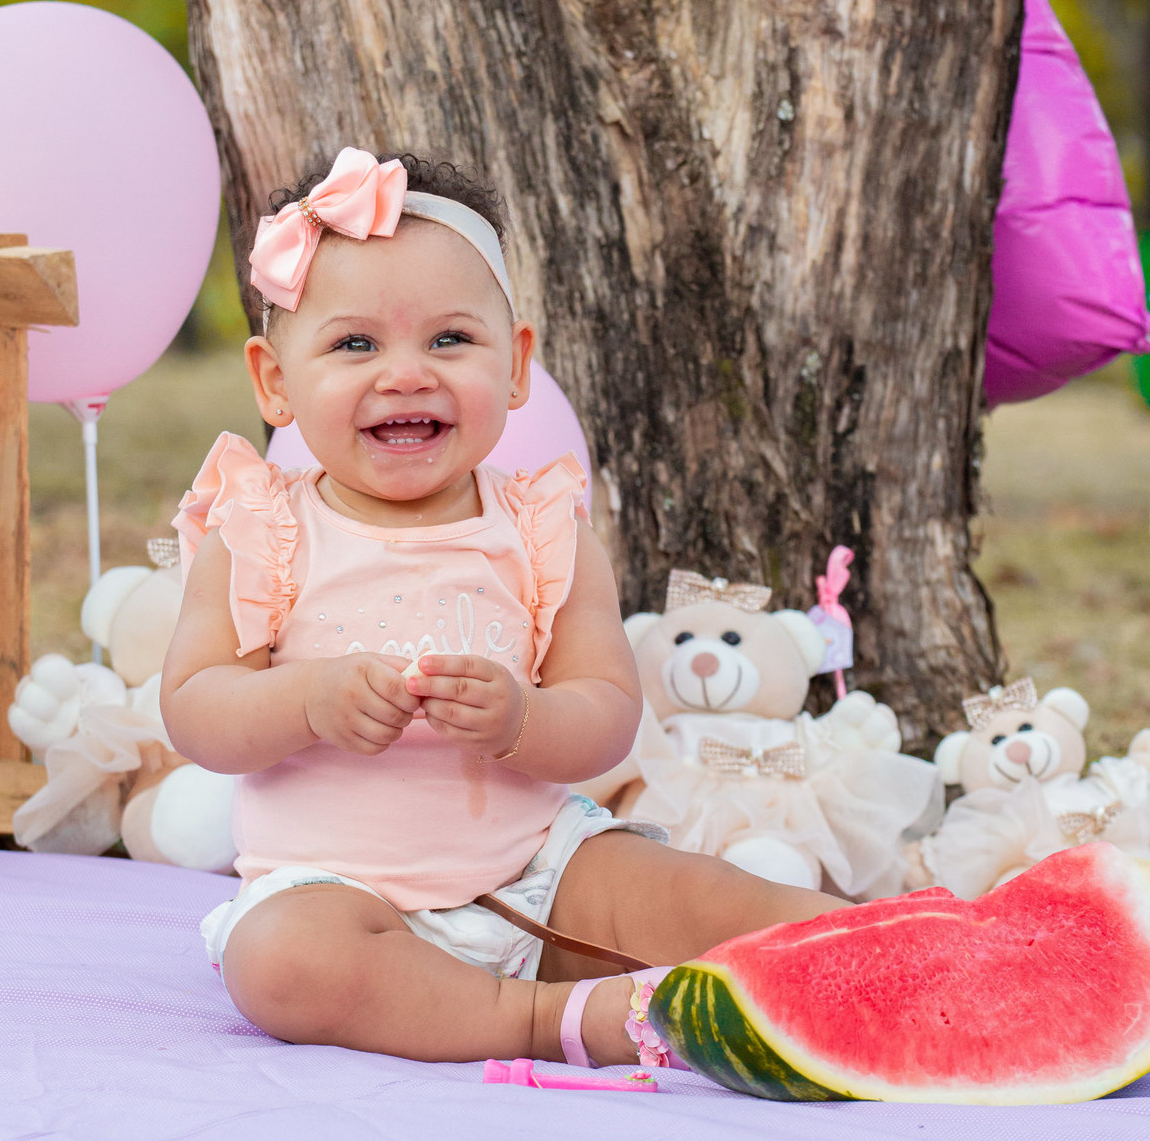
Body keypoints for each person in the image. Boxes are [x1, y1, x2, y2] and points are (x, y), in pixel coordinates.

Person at [162, 147, 842, 1070]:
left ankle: (898, 946)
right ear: (275, 381)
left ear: (516, 364)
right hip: (342, 897)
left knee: (698, 893)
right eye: (355, 344)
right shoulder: (261, 530)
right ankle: (547, 1020)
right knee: (282, 963)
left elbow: (606, 714)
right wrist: (306, 700)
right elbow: (196, 708)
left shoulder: (542, 530)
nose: (407, 374)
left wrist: (524, 719)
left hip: (540, 874)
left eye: (449, 340)